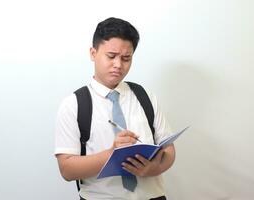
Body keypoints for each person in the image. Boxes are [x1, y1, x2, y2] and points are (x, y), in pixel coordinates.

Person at [54, 17, 176, 200]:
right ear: (93, 53)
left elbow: (168, 150)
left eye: (126, 58)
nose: (118, 65)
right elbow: (67, 169)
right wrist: (112, 154)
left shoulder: (145, 97)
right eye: (111, 56)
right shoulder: (74, 105)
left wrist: (153, 168)